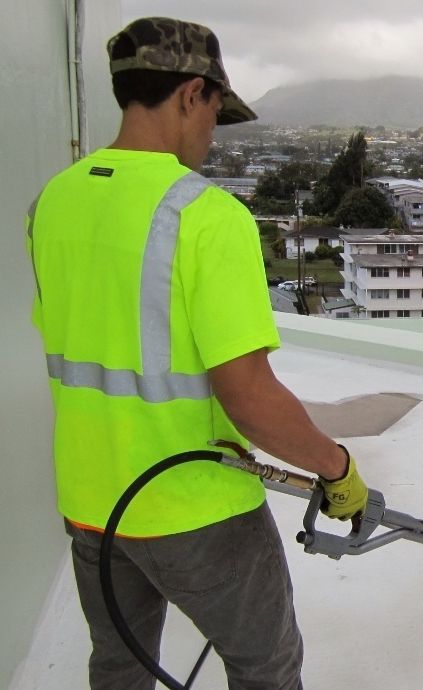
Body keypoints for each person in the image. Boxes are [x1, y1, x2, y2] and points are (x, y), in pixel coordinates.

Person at [25, 17, 368, 690]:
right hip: (195, 509)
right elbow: (248, 399)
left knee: (119, 664)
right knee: (264, 666)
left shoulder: (51, 203)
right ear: (190, 95)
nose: (213, 131)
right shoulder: (205, 216)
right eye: (216, 108)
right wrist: (335, 467)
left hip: (93, 500)